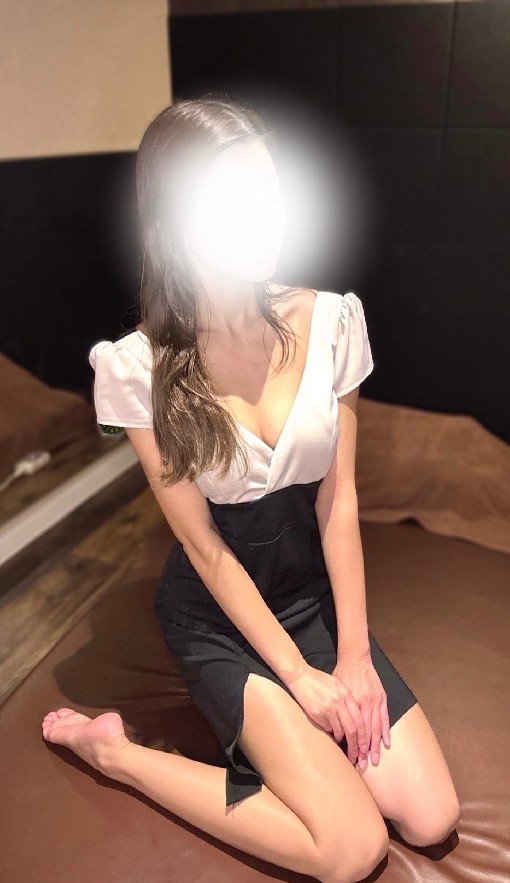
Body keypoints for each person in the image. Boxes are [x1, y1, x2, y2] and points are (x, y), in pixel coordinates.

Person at [42, 96, 459, 883]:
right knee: (352, 848)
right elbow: (202, 547)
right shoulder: (137, 368)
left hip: (309, 597)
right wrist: (298, 679)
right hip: (219, 614)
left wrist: (354, 656)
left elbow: (339, 502)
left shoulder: (331, 321)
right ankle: (119, 754)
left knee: (432, 815)